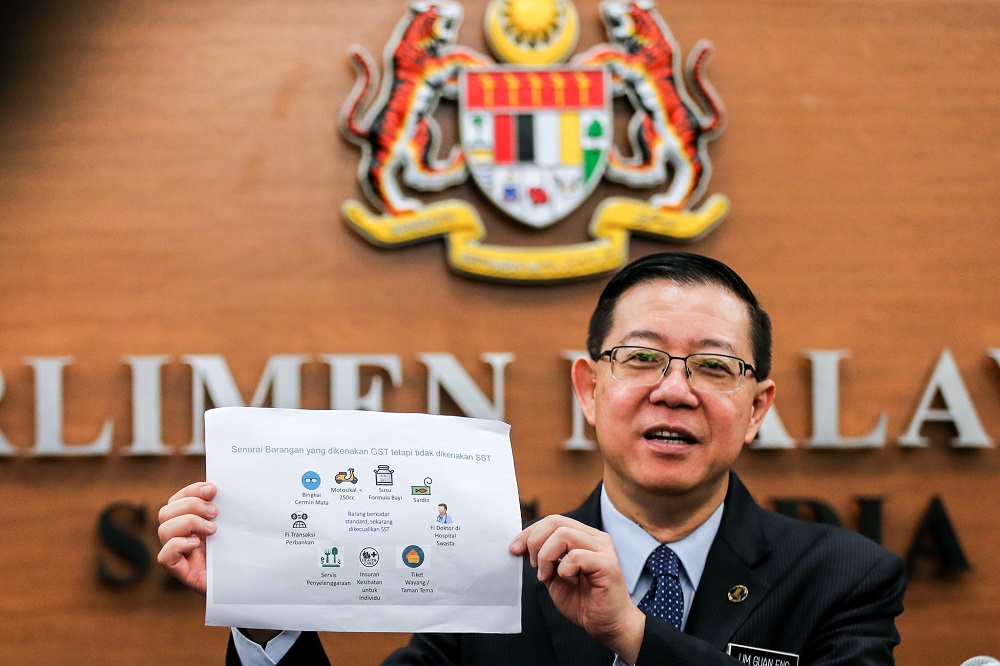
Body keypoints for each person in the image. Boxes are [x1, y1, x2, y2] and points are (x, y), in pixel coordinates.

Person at [158, 252, 905, 665]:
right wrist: (264, 622)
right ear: (588, 387)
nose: (674, 392)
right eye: (642, 358)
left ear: (757, 408)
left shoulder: (844, 577)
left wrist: (634, 635)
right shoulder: (491, 574)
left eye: (713, 367)